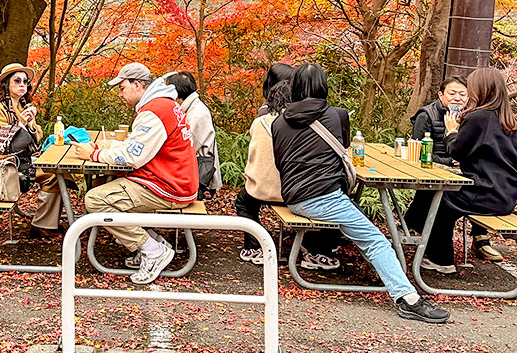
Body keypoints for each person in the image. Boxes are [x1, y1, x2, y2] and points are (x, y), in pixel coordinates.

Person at [272, 62, 449, 323]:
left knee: (360, 224)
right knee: (376, 239)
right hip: (324, 198)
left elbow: (280, 162)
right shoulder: (337, 115)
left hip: (294, 197)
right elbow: (341, 149)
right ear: (324, 87)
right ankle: (407, 298)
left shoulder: (278, 123)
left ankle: (389, 278)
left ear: (295, 87)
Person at [73, 63, 198, 285]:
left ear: (137, 85)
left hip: (168, 186)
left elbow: (132, 157)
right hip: (177, 180)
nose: (120, 94)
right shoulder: (165, 105)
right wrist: (105, 150)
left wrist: (93, 154)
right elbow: (140, 148)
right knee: (106, 186)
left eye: (122, 87)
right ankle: (154, 242)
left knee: (95, 199)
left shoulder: (154, 111)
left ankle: (153, 250)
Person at [413, 68, 517, 273]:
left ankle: (441, 260)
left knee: (438, 197)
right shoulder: (510, 120)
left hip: (484, 192)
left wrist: (451, 131)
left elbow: (457, 152)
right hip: (506, 194)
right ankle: (413, 233)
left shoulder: (479, 117)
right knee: (437, 197)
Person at [236, 80, 342, 267]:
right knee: (333, 195)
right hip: (294, 191)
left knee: (244, 202)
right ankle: (319, 252)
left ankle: (255, 247)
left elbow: (254, 156)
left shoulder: (259, 122)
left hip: (260, 190)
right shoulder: (307, 126)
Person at [0, 63, 64, 237]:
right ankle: (42, 224)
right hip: (6, 165)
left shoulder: (23, 106)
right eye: (17, 80)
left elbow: (37, 136)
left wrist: (28, 124)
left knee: (59, 172)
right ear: (6, 84)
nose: (22, 85)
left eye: (25, 81)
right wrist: (20, 125)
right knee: (52, 175)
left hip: (27, 159)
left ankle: (47, 221)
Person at [167, 71, 222, 199]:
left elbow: (183, 146)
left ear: (177, 95)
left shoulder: (197, 114)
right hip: (191, 172)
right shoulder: (192, 107)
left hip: (197, 175)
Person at [410, 76, 469, 167]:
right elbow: (417, 152)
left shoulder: (471, 116)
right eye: (452, 94)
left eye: (462, 94)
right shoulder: (426, 116)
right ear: (441, 96)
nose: (457, 98)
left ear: (468, 97)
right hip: (433, 168)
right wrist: (449, 161)